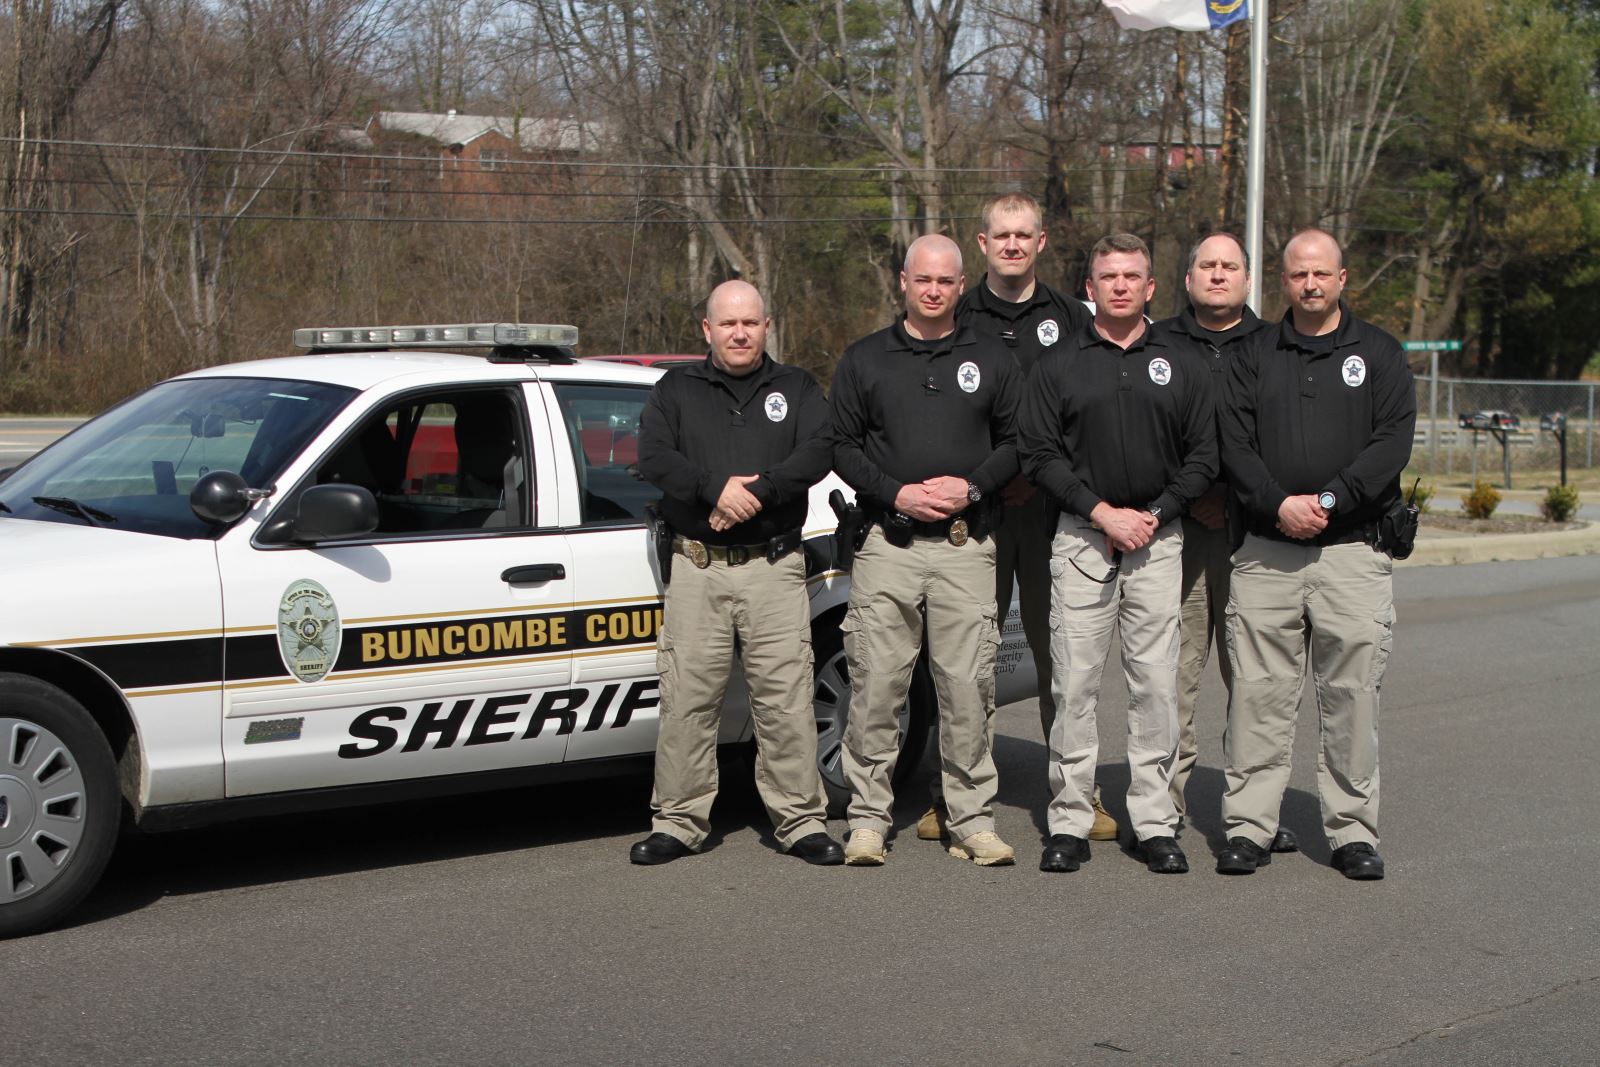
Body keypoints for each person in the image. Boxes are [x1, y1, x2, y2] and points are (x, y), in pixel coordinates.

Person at [911, 192, 1120, 846]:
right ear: (982, 243)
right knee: (964, 659)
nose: (1011, 244)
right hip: (977, 518)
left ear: (1041, 240)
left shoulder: (1071, 316)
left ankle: (1079, 792)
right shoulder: (956, 313)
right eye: (1000, 234)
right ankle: (955, 795)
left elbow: (1092, 407)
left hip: (1055, 514)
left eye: (1022, 234)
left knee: (1067, 656)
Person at [1215, 228, 1415, 880]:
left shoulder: (1379, 353)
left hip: (1351, 553)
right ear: (1284, 280)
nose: (1309, 284)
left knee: (1351, 697)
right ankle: (1249, 825)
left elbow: (1391, 443)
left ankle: (1353, 831)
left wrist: (1329, 499)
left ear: (1343, 278)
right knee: (1258, 696)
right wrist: (1278, 504)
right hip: (1267, 552)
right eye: (1298, 274)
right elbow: (1234, 443)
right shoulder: (1253, 353)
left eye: (1321, 273)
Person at [1018, 233, 1216, 874]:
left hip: (1159, 544)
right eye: (1109, 276)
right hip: (1080, 540)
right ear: (1090, 287)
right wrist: (1102, 513)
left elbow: (1205, 455)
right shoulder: (1059, 363)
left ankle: (1155, 823)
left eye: (1133, 276)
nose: (1121, 286)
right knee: (1073, 686)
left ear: (1152, 286)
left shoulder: (1182, 361)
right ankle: (1070, 820)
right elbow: (1038, 454)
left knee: (1155, 687)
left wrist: (1153, 515)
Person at [629, 280, 844, 867]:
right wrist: (713, 489)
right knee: (687, 701)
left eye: (750, 322)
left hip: (773, 569)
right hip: (698, 567)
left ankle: (801, 821)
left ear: (767, 325)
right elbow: (653, 456)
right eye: (728, 324)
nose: (740, 333)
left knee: (786, 700)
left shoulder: (796, 387)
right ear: (707, 329)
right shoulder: (677, 389)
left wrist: (759, 493)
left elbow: (818, 449)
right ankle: (678, 821)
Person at [831, 233, 1021, 867]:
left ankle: (972, 819)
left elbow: (1019, 443)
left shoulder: (992, 358)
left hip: (968, 548)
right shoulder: (866, 359)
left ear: (959, 285)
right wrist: (897, 493)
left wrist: (971, 486)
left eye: (945, 280)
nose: (933, 290)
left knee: (968, 688)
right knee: (877, 686)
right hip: (889, 542)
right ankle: (866, 819)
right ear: (903, 283)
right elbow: (842, 446)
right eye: (922, 279)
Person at [1155, 232, 1290, 846]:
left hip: (1249, 537)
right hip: (1178, 534)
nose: (1216, 275)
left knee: (1255, 682)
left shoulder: (1275, 345)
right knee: (1171, 677)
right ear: (1187, 279)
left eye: (1228, 266)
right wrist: (1188, 495)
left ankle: (1255, 816)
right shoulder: (1158, 342)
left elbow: (1284, 437)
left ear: (1247, 278)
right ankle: (1165, 809)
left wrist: (1233, 493)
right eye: (1205, 265)